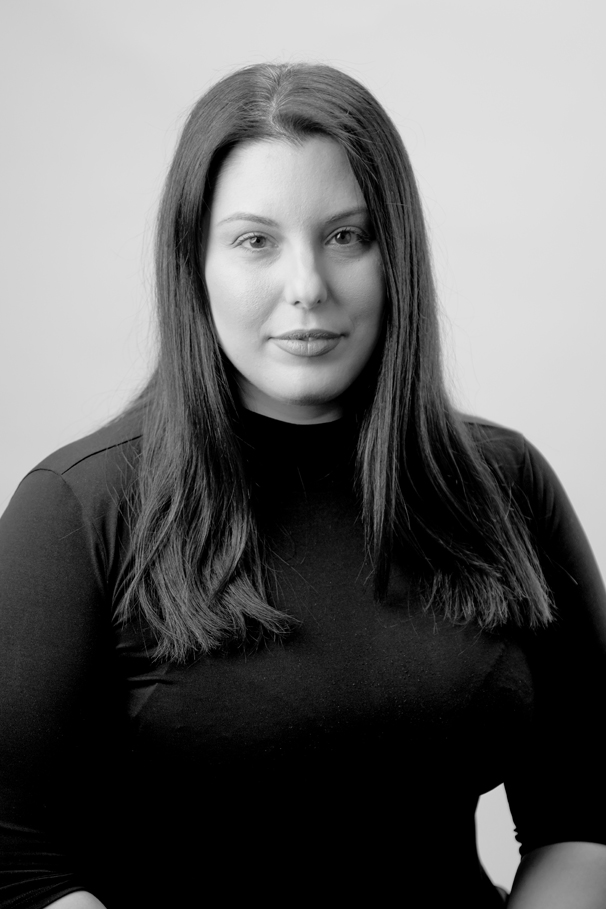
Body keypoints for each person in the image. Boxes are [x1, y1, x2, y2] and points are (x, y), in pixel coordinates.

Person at [1, 62, 605, 909]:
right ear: (193, 262)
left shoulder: (504, 485)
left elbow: (586, 811)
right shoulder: (77, 507)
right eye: (256, 241)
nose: (308, 288)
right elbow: (14, 857)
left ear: (396, 255)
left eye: (346, 235)